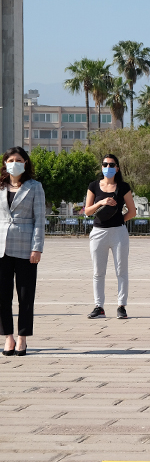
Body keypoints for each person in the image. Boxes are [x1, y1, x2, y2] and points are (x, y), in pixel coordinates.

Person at [0, 147, 45, 357]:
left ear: (25, 163)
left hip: (26, 248)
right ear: (5, 163)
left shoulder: (35, 187)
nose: (14, 163)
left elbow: (39, 220)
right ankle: (8, 337)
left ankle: (23, 338)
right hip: (2, 248)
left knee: (25, 295)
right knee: (2, 296)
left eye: (18, 160)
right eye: (10, 160)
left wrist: (37, 248)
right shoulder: (0, 186)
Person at [84, 154, 136, 320]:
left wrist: (119, 220)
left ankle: (121, 306)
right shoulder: (93, 186)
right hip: (98, 232)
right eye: (105, 164)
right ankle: (99, 306)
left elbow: (132, 211)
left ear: (117, 168)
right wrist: (101, 202)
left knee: (121, 271)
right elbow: (87, 211)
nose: (108, 167)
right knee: (98, 272)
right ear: (101, 167)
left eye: (112, 165)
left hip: (118, 232)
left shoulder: (123, 187)